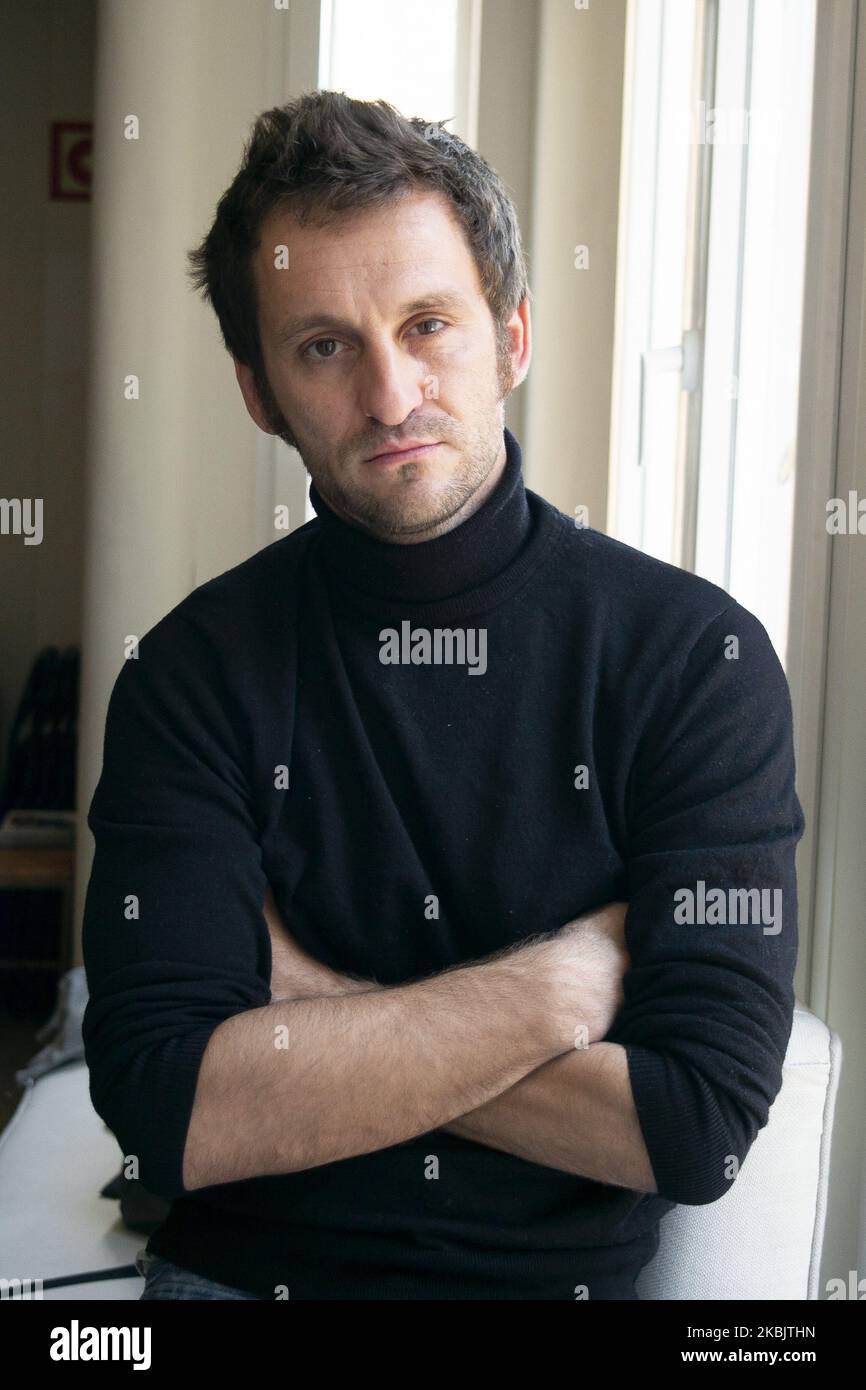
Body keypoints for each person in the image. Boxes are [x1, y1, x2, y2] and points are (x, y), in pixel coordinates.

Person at [82, 91, 805, 1301]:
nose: (389, 394)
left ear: (512, 336)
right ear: (259, 391)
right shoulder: (190, 676)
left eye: (427, 325)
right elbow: (171, 1113)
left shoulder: (693, 660)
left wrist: (309, 1000)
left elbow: (693, 1127)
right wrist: (556, 990)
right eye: (324, 346)